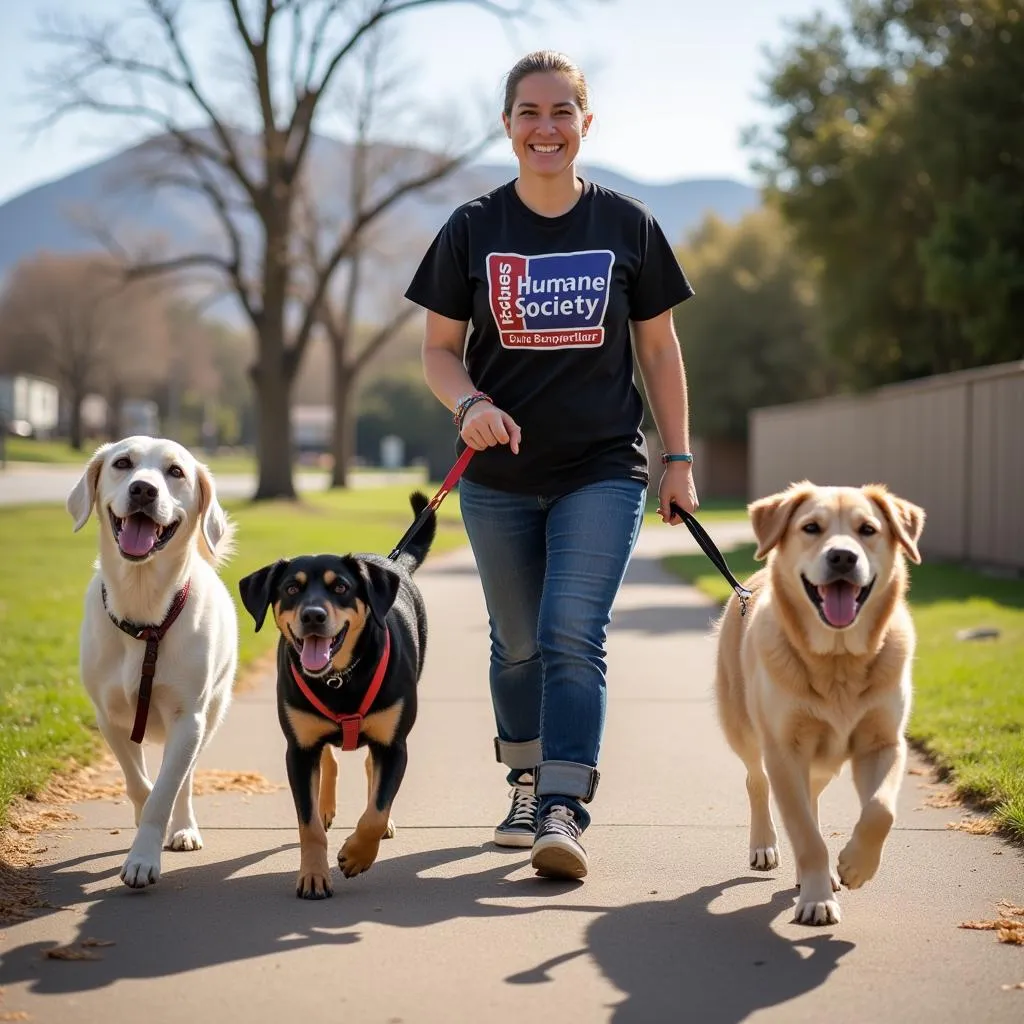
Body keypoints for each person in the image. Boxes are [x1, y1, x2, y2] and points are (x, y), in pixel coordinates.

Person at [405, 49, 698, 881]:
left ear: (585, 123)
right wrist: (471, 406)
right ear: (507, 126)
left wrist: (675, 456)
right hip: (496, 482)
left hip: (602, 469)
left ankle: (564, 806)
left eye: (561, 111)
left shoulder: (627, 225)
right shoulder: (471, 228)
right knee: (519, 646)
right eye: (529, 113)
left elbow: (660, 350)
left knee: (575, 634)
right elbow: (436, 350)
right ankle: (526, 781)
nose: (546, 128)